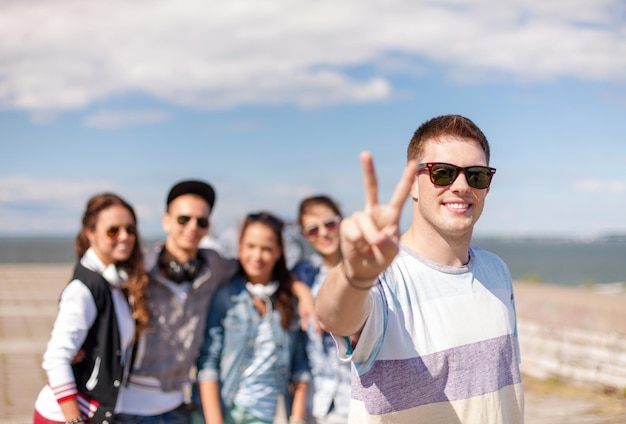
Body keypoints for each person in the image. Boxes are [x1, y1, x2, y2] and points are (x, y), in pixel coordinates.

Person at [315, 114, 524, 423]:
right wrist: (355, 276)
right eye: (443, 173)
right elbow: (335, 318)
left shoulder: (497, 272)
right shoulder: (384, 279)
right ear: (413, 184)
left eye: (476, 175)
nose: (462, 186)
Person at [117, 180, 316, 424]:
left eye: (201, 221)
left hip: (179, 406)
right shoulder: (139, 271)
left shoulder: (215, 268)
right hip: (131, 406)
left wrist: (302, 291)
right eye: (183, 219)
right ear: (165, 220)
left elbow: (264, 272)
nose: (192, 227)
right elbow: (98, 289)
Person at [34, 192, 150, 424]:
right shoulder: (85, 288)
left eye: (130, 229)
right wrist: (74, 420)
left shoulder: (116, 281)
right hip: (65, 416)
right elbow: (56, 358)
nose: (125, 236)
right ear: (90, 233)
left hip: (94, 412)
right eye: (113, 230)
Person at [196, 212, 310, 424]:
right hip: (226, 410)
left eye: (266, 249)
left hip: (272, 415)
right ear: (240, 247)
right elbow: (208, 362)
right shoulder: (225, 296)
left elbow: (300, 367)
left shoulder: (289, 301)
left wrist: (298, 418)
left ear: (278, 252)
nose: (257, 256)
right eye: (250, 246)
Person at [291, 196, 351, 424]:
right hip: (317, 402)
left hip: (359, 396)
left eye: (330, 224)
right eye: (313, 230)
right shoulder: (305, 272)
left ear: (342, 222)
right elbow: (283, 276)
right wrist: (302, 292)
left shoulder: (364, 268)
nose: (323, 233)